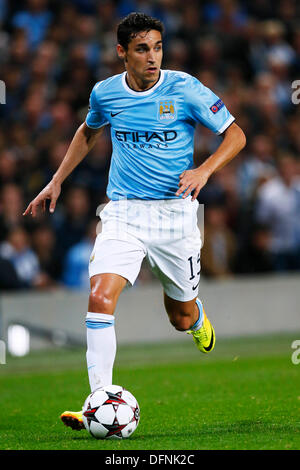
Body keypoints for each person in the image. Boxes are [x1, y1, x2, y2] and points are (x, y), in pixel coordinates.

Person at [23, 12, 246, 433]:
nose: (152, 57)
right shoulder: (105, 93)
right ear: (122, 52)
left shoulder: (184, 88)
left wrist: (204, 170)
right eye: (142, 49)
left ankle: (196, 318)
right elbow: (88, 132)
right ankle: (97, 400)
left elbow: (236, 135)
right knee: (100, 295)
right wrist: (56, 180)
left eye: (158, 47)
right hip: (124, 211)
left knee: (178, 316)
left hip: (175, 215)